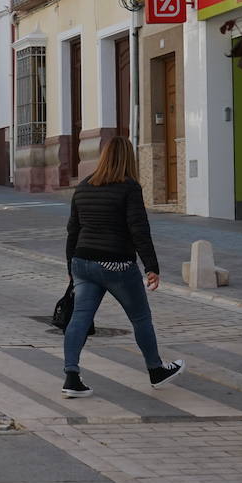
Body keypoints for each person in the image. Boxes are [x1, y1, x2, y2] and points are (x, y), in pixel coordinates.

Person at [61, 137, 184, 398]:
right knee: (140, 318)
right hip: (116, 264)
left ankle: (71, 377)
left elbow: (73, 229)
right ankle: (156, 370)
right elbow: (139, 229)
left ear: (104, 157)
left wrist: (70, 264)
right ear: (129, 159)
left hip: (83, 262)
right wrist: (151, 266)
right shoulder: (129, 187)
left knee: (79, 318)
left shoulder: (83, 186)